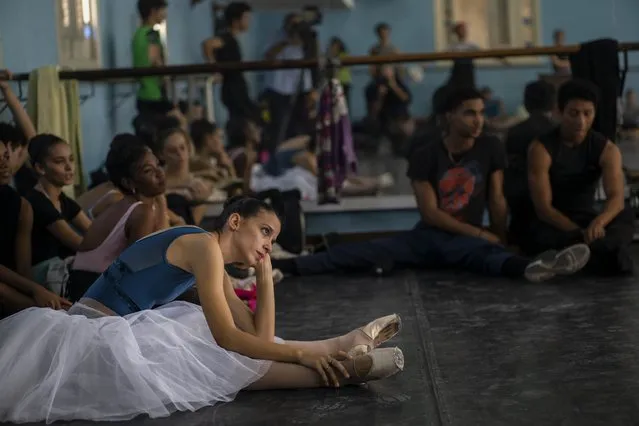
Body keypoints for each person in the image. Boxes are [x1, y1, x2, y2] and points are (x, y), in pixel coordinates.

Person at [0, 196, 404, 423]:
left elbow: (256, 341)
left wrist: (265, 281)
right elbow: (232, 339)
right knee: (206, 344)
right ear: (234, 221)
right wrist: (301, 354)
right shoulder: (202, 245)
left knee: (207, 341)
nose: (268, 245)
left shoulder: (212, 259)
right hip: (92, 336)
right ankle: (336, 365)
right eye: (264, 232)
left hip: (123, 334)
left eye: (273, 239)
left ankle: (338, 348)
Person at [272, 87, 591, 282]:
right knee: (363, 252)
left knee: (484, 255)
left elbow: (497, 200)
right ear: (449, 116)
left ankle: (531, 268)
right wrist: (482, 233)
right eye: (469, 113)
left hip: (466, 241)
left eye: (481, 113)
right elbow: (431, 214)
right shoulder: (424, 154)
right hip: (430, 237)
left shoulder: (491, 146)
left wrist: (500, 237)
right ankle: (289, 266)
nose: (478, 120)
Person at [526, 79, 634, 276]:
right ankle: (599, 253)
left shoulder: (606, 149)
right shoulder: (541, 148)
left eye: (587, 114)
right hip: (556, 221)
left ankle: (586, 255)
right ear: (559, 112)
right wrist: (580, 233)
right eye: (574, 114)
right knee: (539, 234)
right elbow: (543, 209)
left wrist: (599, 222)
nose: (581, 122)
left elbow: (616, 198)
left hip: (588, 217)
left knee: (625, 215)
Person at [68, 136, 169, 301]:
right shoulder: (140, 211)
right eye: (148, 171)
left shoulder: (133, 205)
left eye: (158, 165)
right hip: (93, 290)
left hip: (91, 284)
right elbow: (137, 268)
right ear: (129, 183)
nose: (159, 173)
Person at [0, 141, 70, 316]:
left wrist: (39, 293)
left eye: (5, 157)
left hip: (13, 288)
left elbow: (24, 269)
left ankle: (51, 313)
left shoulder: (21, 206)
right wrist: (35, 292)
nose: (3, 164)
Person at [25, 134, 92, 287]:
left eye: (71, 159)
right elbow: (80, 244)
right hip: (43, 274)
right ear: (40, 168)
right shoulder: (36, 201)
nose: (69, 167)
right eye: (59, 161)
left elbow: (92, 230)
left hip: (60, 270)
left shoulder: (63, 200)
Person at [505, 80, 557, 246]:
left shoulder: (515, 132)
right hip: (554, 210)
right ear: (553, 103)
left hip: (521, 213)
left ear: (526, 103)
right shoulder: (557, 132)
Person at [201, 2, 260, 124]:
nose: (248, 22)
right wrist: (214, 68)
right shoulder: (226, 38)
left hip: (237, 88)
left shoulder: (232, 39)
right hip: (233, 89)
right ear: (236, 20)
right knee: (245, 120)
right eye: (246, 18)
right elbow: (207, 44)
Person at [132, 0, 172, 116]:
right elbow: (155, 60)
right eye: (163, 10)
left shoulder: (138, 34)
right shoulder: (152, 34)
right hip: (154, 94)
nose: (165, 14)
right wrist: (165, 78)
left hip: (143, 93)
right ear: (153, 11)